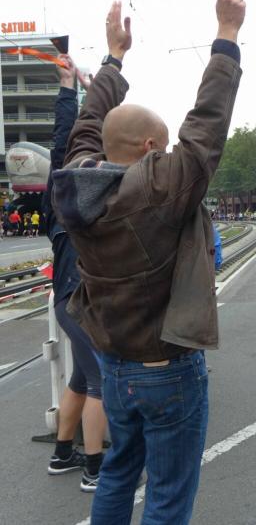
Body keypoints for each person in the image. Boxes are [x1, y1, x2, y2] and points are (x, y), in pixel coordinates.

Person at [51, 0, 245, 523]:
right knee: (167, 493)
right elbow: (206, 128)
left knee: (118, 473)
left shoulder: (76, 184)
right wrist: (227, 32)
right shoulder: (158, 191)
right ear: (149, 148)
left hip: (115, 366)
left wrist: (114, 60)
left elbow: (87, 124)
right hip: (167, 367)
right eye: (160, 148)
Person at [41, 52, 107, 493]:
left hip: (66, 299)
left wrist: (74, 90)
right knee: (101, 380)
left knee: (82, 378)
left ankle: (63, 453)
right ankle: (95, 469)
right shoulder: (85, 202)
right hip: (78, 301)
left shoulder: (57, 198)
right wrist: (79, 91)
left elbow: (64, 139)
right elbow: (72, 138)